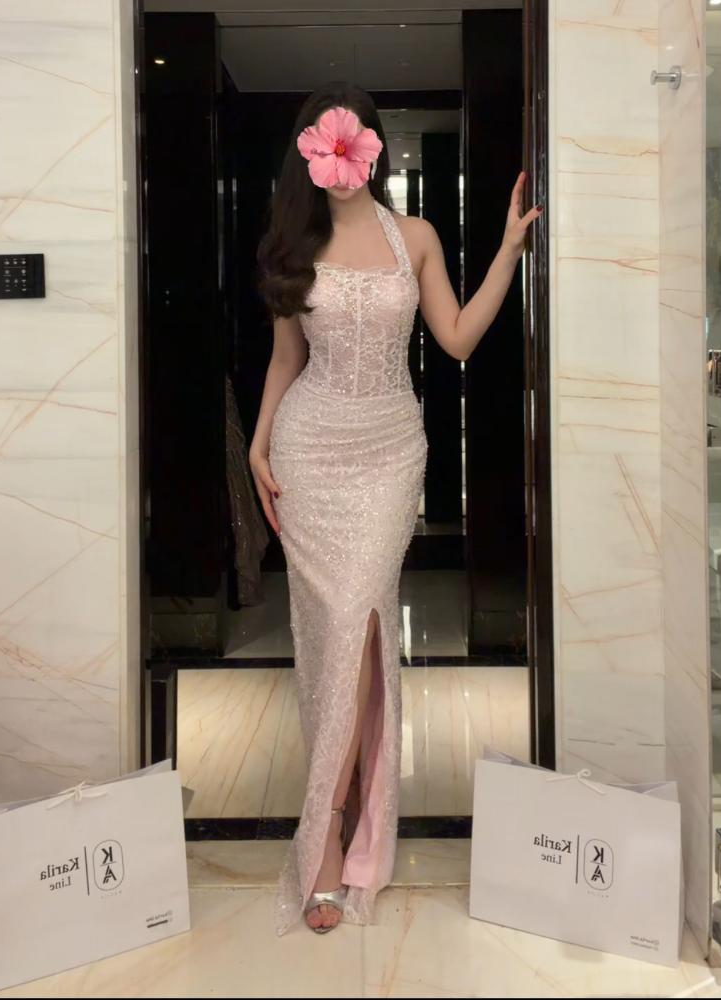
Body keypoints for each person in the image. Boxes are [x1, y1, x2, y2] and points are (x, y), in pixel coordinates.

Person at [249, 82, 542, 936]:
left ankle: (340, 828)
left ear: (371, 149)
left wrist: (508, 252)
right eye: (325, 146)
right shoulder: (293, 245)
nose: (341, 160)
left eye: (353, 144)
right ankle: (330, 838)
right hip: (310, 450)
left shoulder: (415, 236)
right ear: (309, 154)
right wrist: (258, 445)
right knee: (334, 641)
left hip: (388, 454)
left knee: (361, 623)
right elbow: (284, 360)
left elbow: (456, 339)